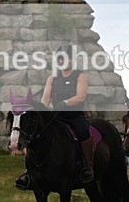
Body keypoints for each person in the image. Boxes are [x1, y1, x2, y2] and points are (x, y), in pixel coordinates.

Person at [15, 45, 94, 191]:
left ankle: (87, 166)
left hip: (74, 115)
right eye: (61, 58)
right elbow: (45, 100)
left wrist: (66, 102)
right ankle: (29, 173)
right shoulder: (52, 78)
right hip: (56, 116)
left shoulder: (79, 76)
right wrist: (42, 113)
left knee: (83, 130)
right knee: (36, 134)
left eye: (67, 57)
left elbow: (81, 96)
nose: (64, 61)